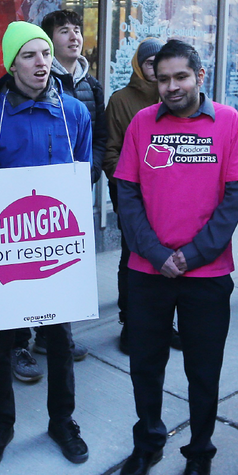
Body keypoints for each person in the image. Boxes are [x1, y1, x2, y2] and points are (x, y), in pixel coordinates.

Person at [112, 39, 238, 475]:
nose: (171, 87)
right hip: (147, 272)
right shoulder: (141, 122)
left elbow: (234, 199)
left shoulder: (229, 123)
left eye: (180, 77)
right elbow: (127, 195)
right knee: (145, 367)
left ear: (199, 75)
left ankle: (198, 455)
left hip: (206, 275)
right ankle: (148, 443)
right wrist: (156, 254)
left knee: (203, 372)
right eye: (163, 78)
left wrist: (190, 257)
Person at [0, 20, 93, 472]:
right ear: (10, 64)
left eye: (44, 54)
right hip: (10, 249)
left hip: (56, 249)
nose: (41, 63)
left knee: (59, 341)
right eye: (29, 55)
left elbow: (83, 177)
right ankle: (1, 426)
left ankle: (62, 421)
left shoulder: (74, 113)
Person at [2, 9, 105, 377]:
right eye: (65, 31)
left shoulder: (87, 90)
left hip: (64, 199)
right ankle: (17, 343)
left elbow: (95, 139)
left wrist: (84, 175)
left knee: (57, 270)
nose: (75, 37)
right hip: (20, 207)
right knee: (21, 273)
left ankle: (53, 335)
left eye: (79, 30)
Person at [103, 38, 167, 354]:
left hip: (171, 199)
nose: (155, 67)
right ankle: (130, 322)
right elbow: (110, 151)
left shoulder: (176, 97)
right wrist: (129, 186)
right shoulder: (121, 100)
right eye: (149, 61)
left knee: (168, 259)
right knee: (134, 257)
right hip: (135, 198)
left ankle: (165, 323)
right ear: (138, 65)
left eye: (160, 60)